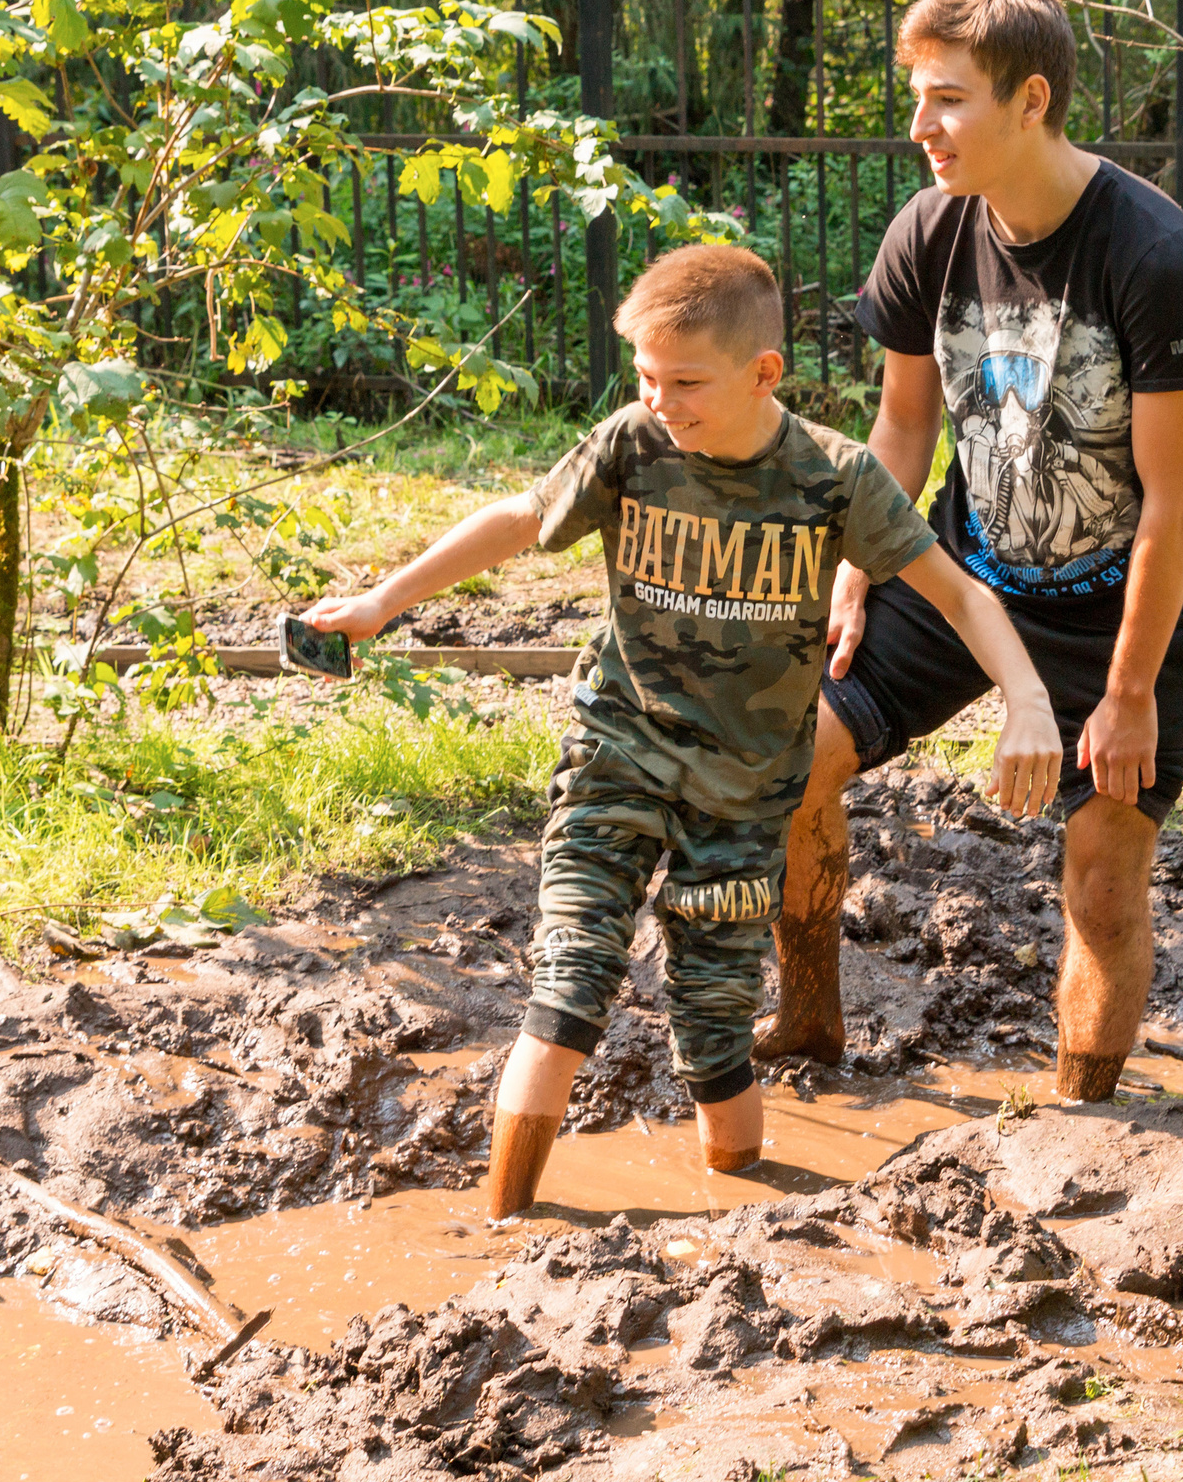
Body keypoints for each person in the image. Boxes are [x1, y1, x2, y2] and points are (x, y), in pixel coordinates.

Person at [303, 244, 1061, 1219]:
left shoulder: (835, 479)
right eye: (646, 377)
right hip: (615, 756)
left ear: (763, 372)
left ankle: (754, 1211)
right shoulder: (632, 444)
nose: (660, 400)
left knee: (709, 1034)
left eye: (685, 381)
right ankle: (501, 1227)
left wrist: (1029, 702)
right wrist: (381, 600)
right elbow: (519, 518)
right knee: (567, 993)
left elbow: (959, 595)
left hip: (744, 799)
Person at [754, 0, 1183, 1104]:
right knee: (794, 759)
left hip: (1121, 612)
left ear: (1030, 100)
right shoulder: (929, 228)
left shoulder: (1152, 255)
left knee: (1102, 879)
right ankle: (808, 1025)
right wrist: (862, 565)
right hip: (964, 577)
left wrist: (1125, 695)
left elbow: (1173, 504)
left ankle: (1082, 1110)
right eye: (917, 98)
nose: (920, 128)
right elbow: (905, 422)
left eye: (948, 100)